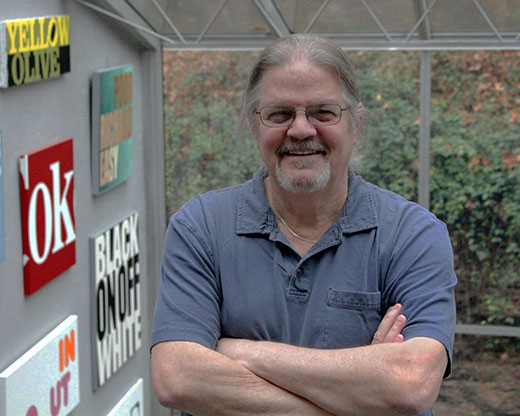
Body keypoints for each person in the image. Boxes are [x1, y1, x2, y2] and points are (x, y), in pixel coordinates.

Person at [151, 34, 456, 416]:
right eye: (279, 114)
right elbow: (177, 377)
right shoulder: (200, 228)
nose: (300, 130)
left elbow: (412, 384)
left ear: (355, 123)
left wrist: (236, 350)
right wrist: (359, 394)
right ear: (253, 125)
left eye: (322, 113)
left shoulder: (413, 235)